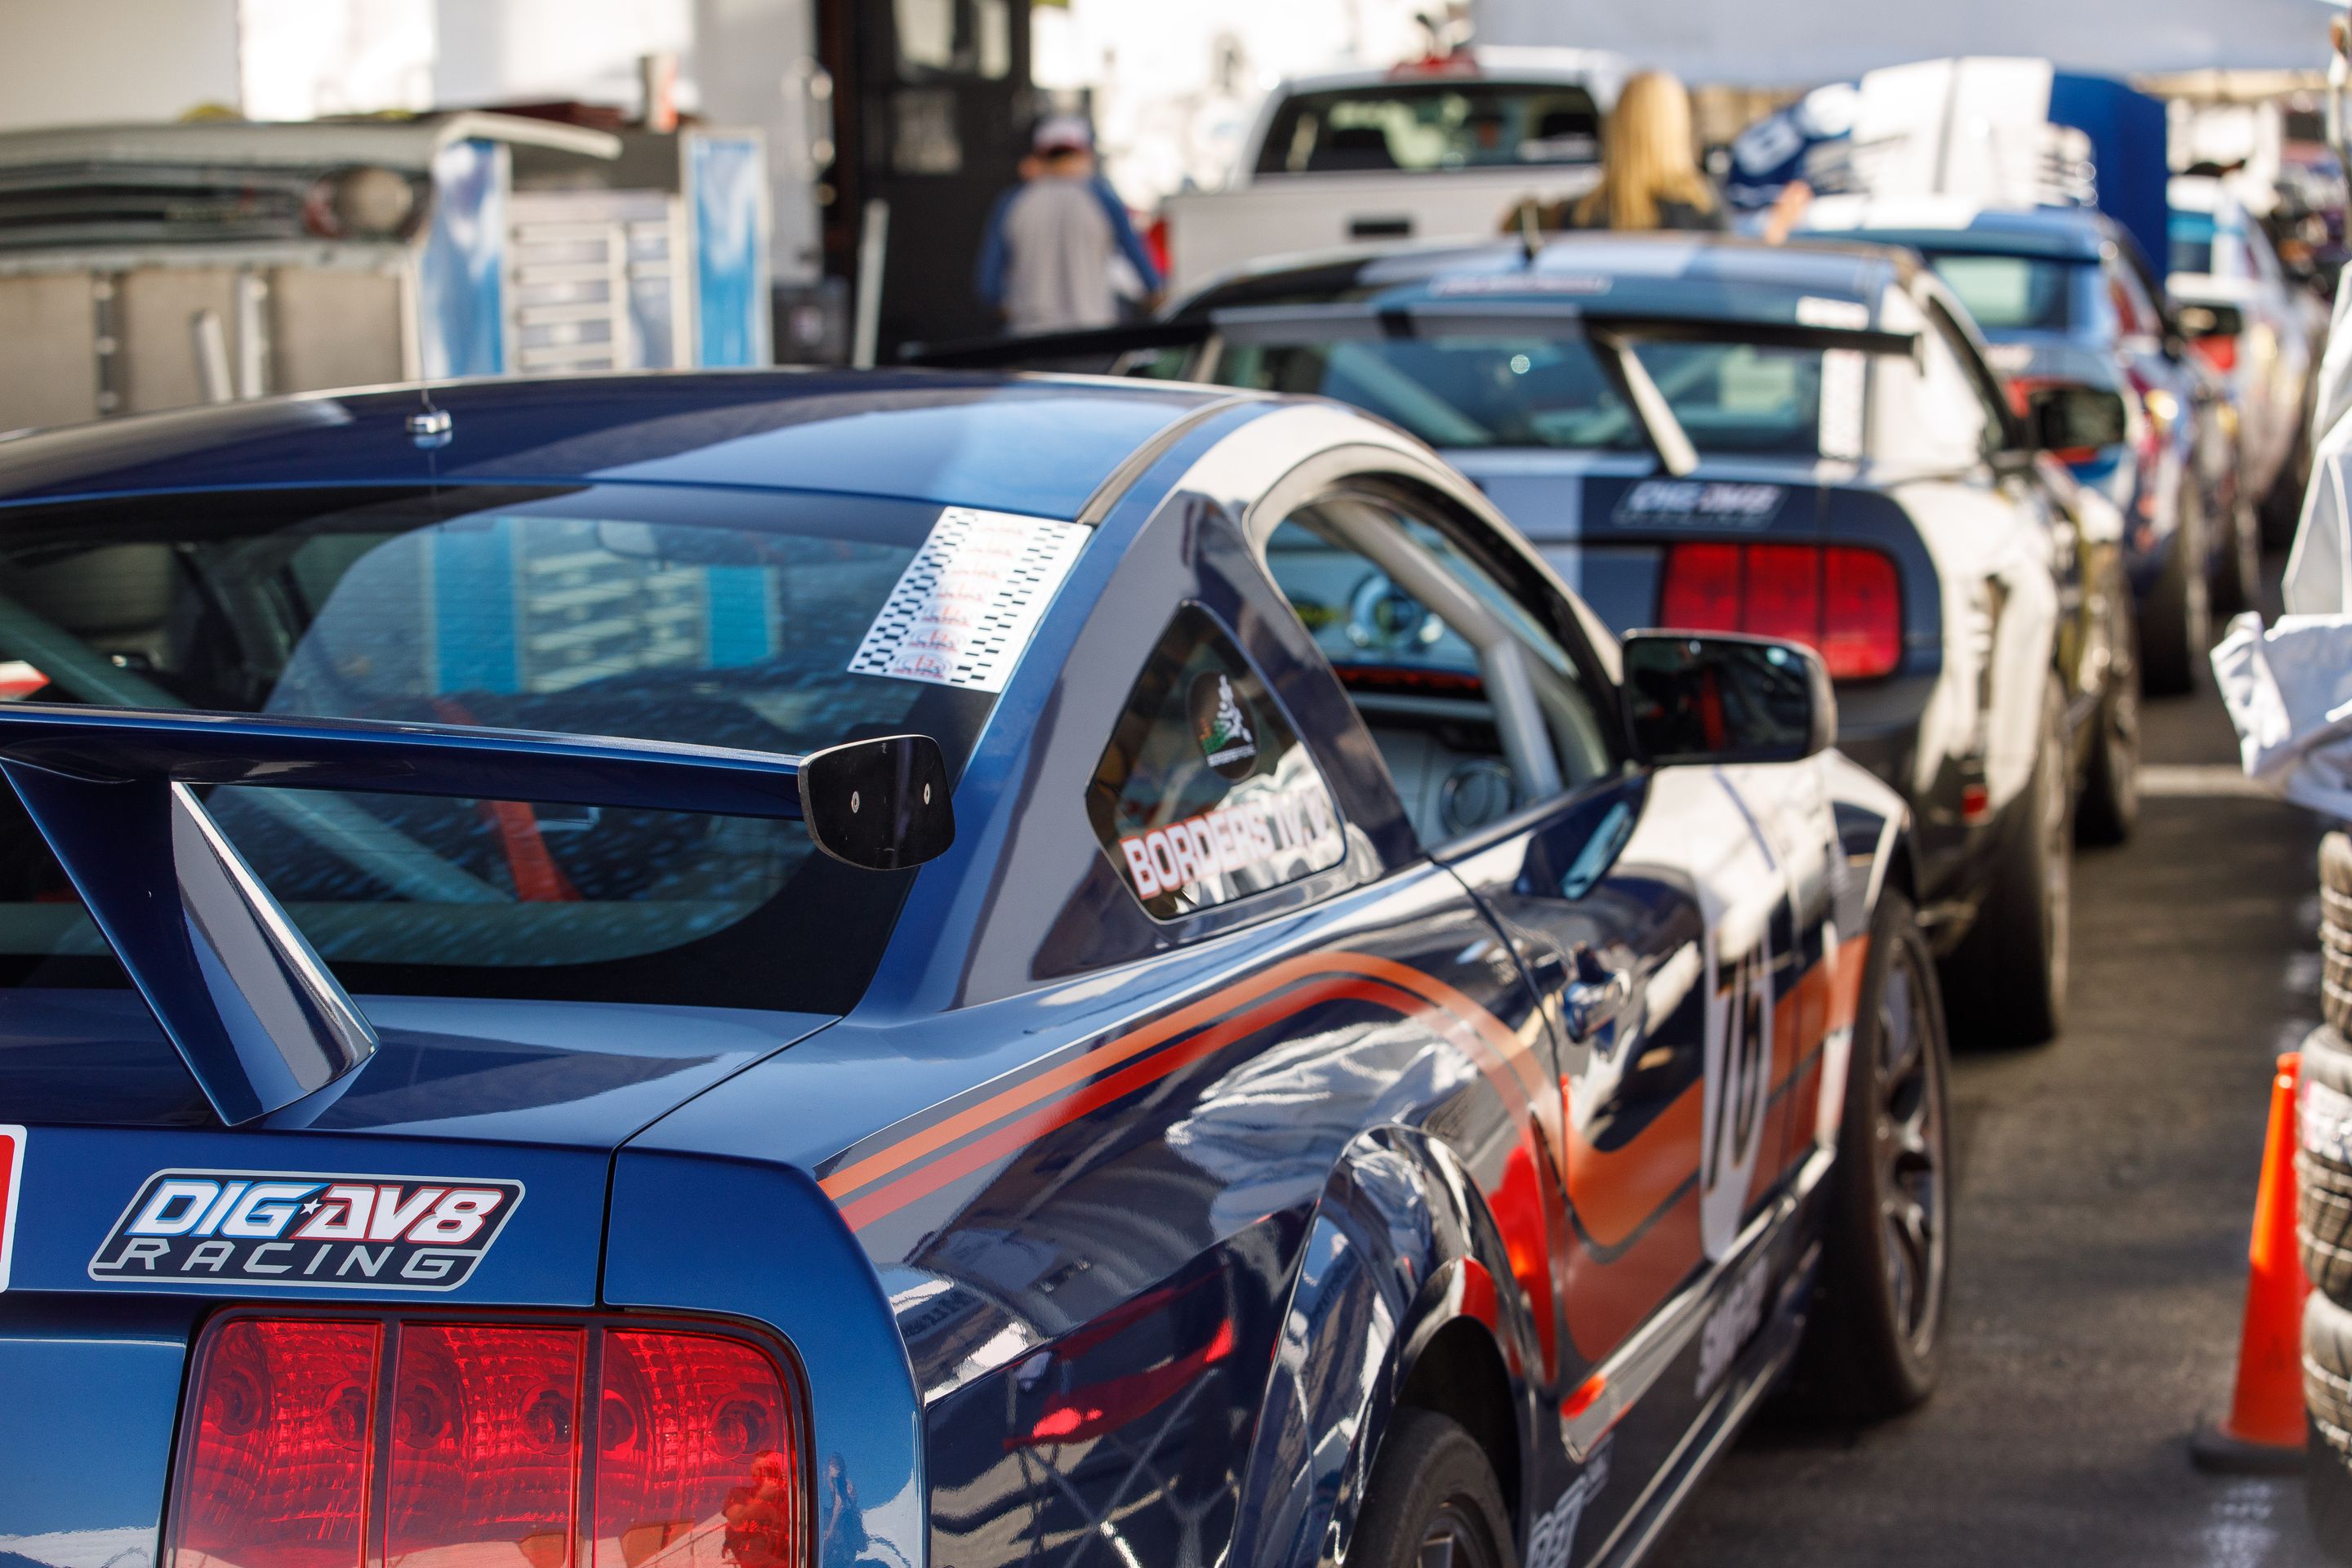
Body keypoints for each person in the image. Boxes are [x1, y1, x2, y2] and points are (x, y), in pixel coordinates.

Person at [975, 116, 1162, 335]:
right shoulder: (1102, 198)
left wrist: (1006, 305)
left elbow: (989, 286)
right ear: (1084, 154)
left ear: (1040, 156)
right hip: (1092, 332)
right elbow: (1138, 259)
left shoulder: (1014, 202)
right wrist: (1154, 292)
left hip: (1030, 335)